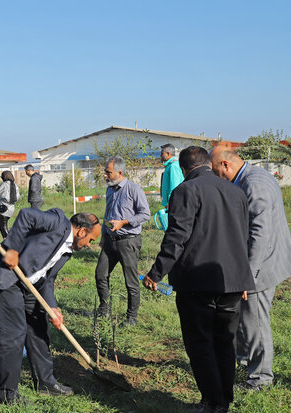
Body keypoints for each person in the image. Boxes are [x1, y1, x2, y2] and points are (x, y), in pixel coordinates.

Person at [142, 146, 256, 413]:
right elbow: (243, 236)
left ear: (183, 170)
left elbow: (176, 238)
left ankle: (212, 402)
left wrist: (155, 273)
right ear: (208, 163)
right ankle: (224, 399)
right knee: (224, 341)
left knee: (200, 343)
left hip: (197, 283)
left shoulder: (184, 191)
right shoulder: (236, 191)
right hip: (232, 281)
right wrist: (243, 279)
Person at [0, 209, 101, 404]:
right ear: (81, 231)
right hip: (6, 277)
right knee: (13, 333)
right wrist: (12, 249)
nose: (89, 245)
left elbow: (48, 279)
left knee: (39, 326)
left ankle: (46, 383)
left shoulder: (66, 251)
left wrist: (52, 307)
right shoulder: (57, 222)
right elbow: (27, 215)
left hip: (29, 284)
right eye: (91, 240)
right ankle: (7, 394)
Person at [210, 146, 291, 391]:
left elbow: (259, 235)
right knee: (243, 319)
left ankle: (260, 379)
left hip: (261, 265)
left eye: (216, 170)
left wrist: (248, 276)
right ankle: (245, 364)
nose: (217, 177)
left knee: (255, 322)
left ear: (225, 165)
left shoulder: (254, 185)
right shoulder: (251, 177)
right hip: (257, 262)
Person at [95, 156, 150, 326]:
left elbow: (145, 214)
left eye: (108, 172)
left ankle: (131, 318)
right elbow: (107, 213)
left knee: (131, 282)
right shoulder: (110, 190)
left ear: (119, 172)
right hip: (110, 241)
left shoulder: (134, 190)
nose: (105, 175)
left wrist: (124, 222)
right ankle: (104, 310)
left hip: (128, 241)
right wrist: (103, 237)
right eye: (105, 171)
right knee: (100, 275)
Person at [0, 171, 20, 238]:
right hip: (11, 207)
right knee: (1, 225)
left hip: (4, 206)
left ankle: (8, 241)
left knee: (3, 226)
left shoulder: (4, 184)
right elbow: (17, 197)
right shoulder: (15, 185)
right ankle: (5, 239)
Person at [159, 143, 184, 209]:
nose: (161, 155)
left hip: (173, 204)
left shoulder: (173, 166)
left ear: (168, 153)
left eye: (162, 153)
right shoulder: (170, 166)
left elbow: (174, 187)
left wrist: (171, 203)